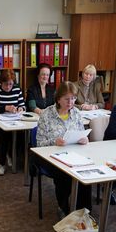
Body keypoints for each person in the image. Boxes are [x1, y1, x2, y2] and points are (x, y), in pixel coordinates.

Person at [35, 82, 92, 217]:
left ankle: (84, 210)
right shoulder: (47, 114)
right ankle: (63, 206)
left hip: (73, 155)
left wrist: (84, 139)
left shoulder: (76, 113)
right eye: (67, 99)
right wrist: (54, 141)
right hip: (50, 157)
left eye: (73, 98)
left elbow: (81, 133)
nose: (71, 102)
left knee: (86, 171)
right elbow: (39, 143)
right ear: (58, 98)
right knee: (65, 174)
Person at [0, 69, 25, 176]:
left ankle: (10, 154)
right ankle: (1, 164)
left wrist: (20, 109)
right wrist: (5, 108)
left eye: (11, 84)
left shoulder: (17, 89)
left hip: (14, 120)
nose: (8, 87)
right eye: (6, 84)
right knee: (4, 135)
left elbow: (22, 105)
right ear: (1, 83)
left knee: (21, 135)